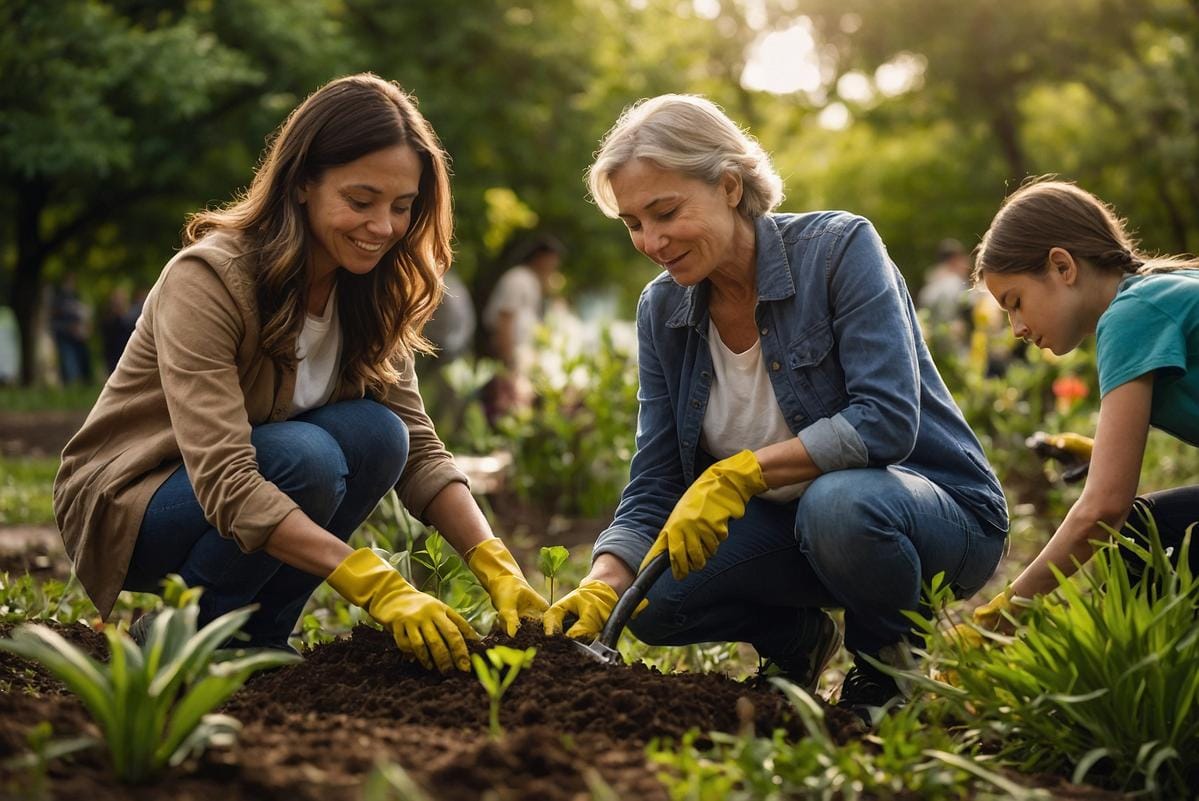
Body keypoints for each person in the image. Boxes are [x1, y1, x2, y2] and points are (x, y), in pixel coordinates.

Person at [53, 74, 547, 673]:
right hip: (137, 502)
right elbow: (228, 479)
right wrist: (374, 583)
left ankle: (260, 634)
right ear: (303, 184)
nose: (384, 228)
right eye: (360, 201)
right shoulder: (211, 279)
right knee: (306, 457)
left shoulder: (373, 288)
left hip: (260, 481)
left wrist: (496, 563)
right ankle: (186, 629)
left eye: (402, 206)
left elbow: (418, 449)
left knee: (378, 434)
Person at [542, 94, 1009, 724]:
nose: (650, 240)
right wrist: (603, 580)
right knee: (653, 597)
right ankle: (796, 641)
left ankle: (885, 669)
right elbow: (655, 478)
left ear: (730, 186)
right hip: (795, 536)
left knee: (838, 503)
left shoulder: (839, 250)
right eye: (632, 223)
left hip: (930, 519)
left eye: (666, 212)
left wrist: (740, 473)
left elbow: (887, 421)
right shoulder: (664, 312)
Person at [961, 179, 1199, 632]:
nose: (1017, 329)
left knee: (1142, 537)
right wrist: (1104, 453)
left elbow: (1105, 509)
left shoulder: (1133, 316)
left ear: (1061, 266)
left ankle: (1145, 688)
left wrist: (1007, 611)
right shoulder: (1160, 290)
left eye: (1016, 303)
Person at [479, 233, 566, 418]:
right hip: (511, 354)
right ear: (540, 258)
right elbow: (505, 319)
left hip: (522, 355)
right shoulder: (517, 279)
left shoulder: (531, 281)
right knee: (506, 403)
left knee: (518, 404)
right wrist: (508, 358)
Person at [49, 272, 93, 385]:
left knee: (81, 365)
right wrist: (68, 327)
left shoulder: (76, 297)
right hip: (64, 338)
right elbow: (54, 321)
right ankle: (71, 386)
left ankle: (79, 385)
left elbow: (82, 317)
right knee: (69, 367)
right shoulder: (58, 299)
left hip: (78, 338)